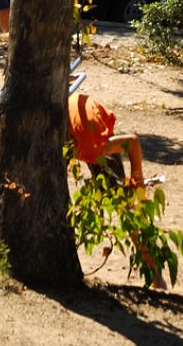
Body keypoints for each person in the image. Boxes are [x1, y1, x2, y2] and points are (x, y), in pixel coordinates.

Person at [68, 91, 165, 288]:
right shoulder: (75, 143)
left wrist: (137, 181)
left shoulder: (97, 147)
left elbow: (133, 142)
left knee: (127, 210)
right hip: (77, 120)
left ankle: (157, 277)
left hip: (89, 127)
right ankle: (157, 277)